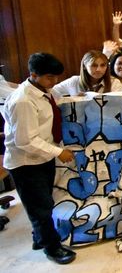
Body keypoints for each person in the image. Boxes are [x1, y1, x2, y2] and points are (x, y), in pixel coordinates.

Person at [2, 53, 76, 264]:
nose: (54, 83)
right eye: (49, 78)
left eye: (55, 78)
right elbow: (25, 140)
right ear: (33, 75)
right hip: (26, 161)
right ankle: (52, 248)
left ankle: (40, 237)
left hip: (41, 157)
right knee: (40, 207)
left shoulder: (43, 90)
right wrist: (58, 152)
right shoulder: (23, 100)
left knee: (44, 202)